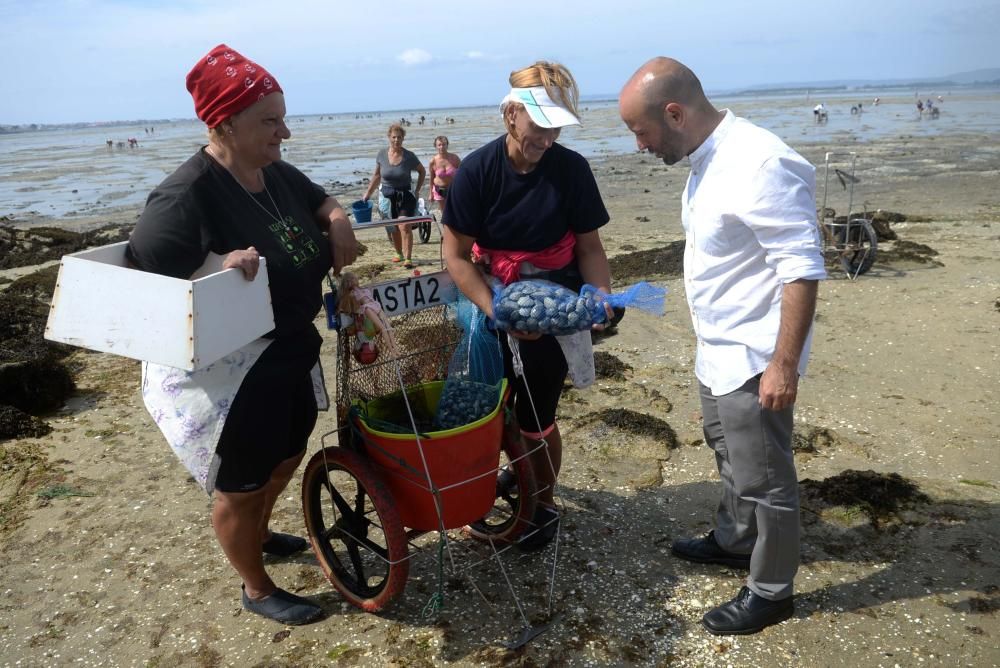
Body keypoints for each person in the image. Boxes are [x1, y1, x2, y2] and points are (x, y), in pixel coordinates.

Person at [125, 44, 358, 625]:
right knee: (241, 482)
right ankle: (255, 588)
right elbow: (144, 279)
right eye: (270, 121)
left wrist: (337, 218)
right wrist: (215, 266)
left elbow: (320, 200)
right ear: (223, 122)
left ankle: (259, 529)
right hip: (235, 370)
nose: (285, 132)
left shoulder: (273, 172)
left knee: (285, 457)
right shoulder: (185, 196)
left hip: (291, 348)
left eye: (282, 116)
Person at [619, 57, 826, 635]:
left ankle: (771, 590)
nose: (639, 146)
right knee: (728, 454)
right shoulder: (704, 159)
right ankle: (736, 541)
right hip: (717, 348)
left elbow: (802, 270)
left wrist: (782, 366)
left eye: (642, 132)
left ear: (675, 113)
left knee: (766, 477)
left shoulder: (762, 162)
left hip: (754, 355)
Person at [442, 61, 613, 552]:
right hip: (491, 301)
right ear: (512, 113)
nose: (548, 137)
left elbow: (590, 250)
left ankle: (544, 503)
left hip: (554, 307)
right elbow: (455, 257)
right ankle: (516, 478)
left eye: (556, 126)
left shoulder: (571, 170)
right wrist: (501, 312)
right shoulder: (476, 171)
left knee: (537, 417)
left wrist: (597, 296)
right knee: (495, 412)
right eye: (540, 124)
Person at [361, 123, 425, 268]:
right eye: (394, 137)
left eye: (400, 137)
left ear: (403, 139)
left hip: (405, 194)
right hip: (387, 195)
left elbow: (422, 171)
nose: (397, 140)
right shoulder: (381, 154)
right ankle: (399, 253)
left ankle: (408, 258)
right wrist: (368, 193)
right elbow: (377, 175)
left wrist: (417, 190)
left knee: (404, 225)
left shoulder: (409, 156)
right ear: (389, 137)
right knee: (392, 227)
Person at [427, 135, 461, 213]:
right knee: (445, 213)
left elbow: (462, 174)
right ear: (436, 146)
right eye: (439, 145)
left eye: (444, 144)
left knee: (456, 211)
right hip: (440, 190)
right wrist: (430, 194)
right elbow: (431, 178)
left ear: (447, 145)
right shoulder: (433, 161)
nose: (442, 147)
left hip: (453, 189)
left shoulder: (455, 158)